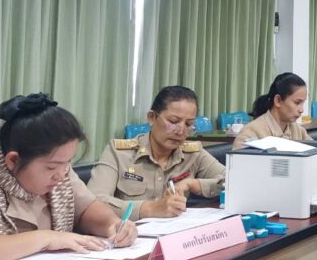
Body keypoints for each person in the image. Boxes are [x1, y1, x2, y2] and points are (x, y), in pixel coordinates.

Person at [0, 94, 137, 260]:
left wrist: (111, 224)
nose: (61, 175)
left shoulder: (59, 168)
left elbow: (86, 208)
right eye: (51, 167)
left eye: (68, 162)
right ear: (13, 160)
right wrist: (46, 238)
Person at [89, 86, 225, 221]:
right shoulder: (119, 153)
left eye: (188, 124)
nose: (180, 131)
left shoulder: (193, 154)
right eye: (173, 121)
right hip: (129, 231)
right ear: (152, 117)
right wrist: (150, 209)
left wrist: (193, 184)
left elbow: (232, 181)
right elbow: (94, 202)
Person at [233, 72, 312, 150]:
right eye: (297, 103)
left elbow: (315, 152)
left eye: (303, 103)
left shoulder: (297, 130)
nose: (301, 110)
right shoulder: (251, 132)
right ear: (278, 101)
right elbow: (239, 158)